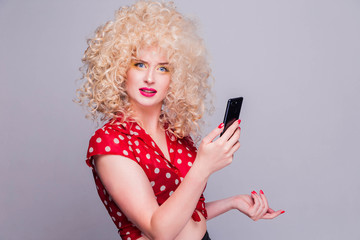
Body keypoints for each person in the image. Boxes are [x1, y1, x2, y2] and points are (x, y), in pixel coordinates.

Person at [76, 1, 285, 239]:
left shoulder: (175, 133)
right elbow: (160, 230)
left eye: (163, 68)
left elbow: (185, 212)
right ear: (121, 68)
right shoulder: (111, 142)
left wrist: (234, 202)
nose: (150, 78)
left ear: (176, 77)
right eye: (140, 64)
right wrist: (203, 167)